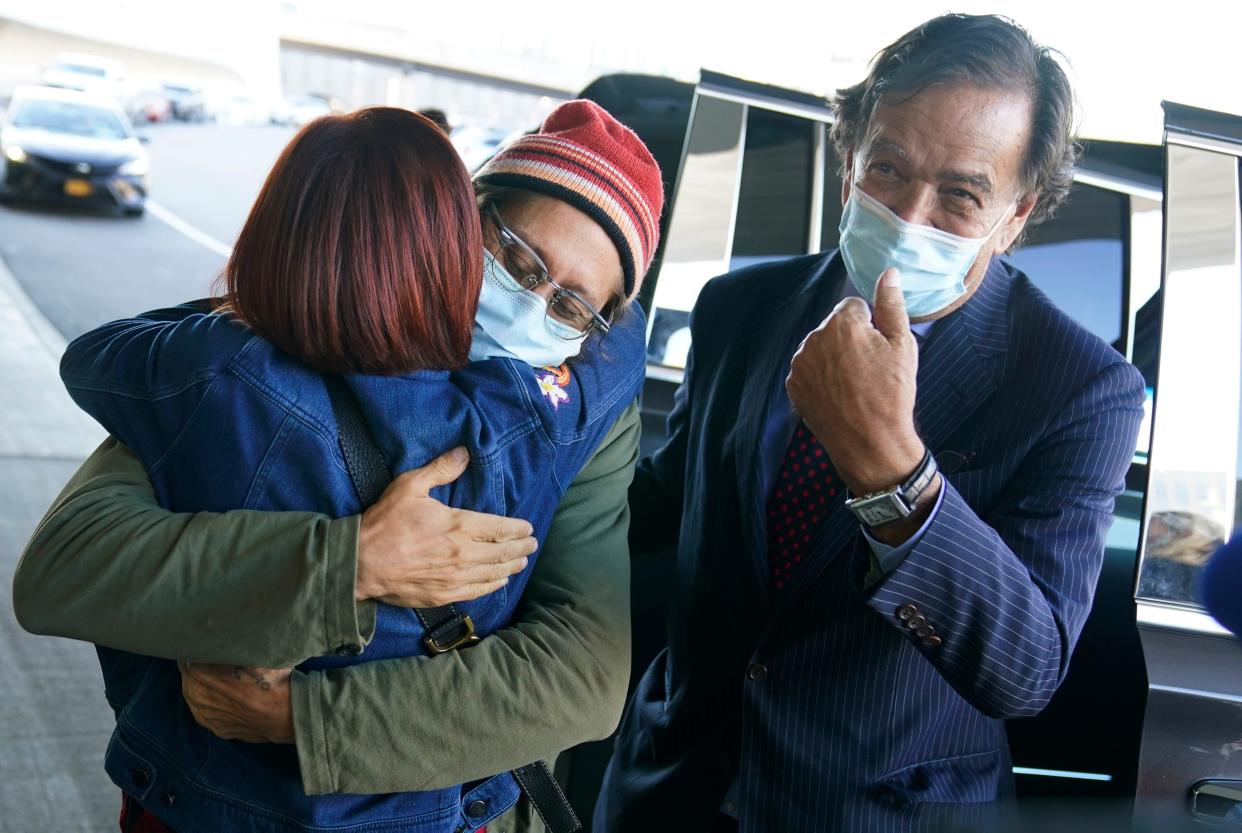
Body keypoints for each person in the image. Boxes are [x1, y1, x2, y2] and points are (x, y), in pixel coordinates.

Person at [16, 100, 663, 832]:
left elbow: (580, 674)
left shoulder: (229, 375)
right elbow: (69, 566)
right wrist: (351, 562)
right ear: (458, 221)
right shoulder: (557, 408)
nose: (531, 306)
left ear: (596, 326)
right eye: (516, 258)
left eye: (573, 306)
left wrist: (298, 717)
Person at [593, 13, 1147, 832]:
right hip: (669, 790)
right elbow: (662, 508)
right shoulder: (742, 307)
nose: (910, 214)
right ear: (848, 157)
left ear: (1018, 212)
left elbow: (1025, 669)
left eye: (960, 195)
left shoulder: (1080, 388)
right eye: (888, 167)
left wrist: (892, 468)